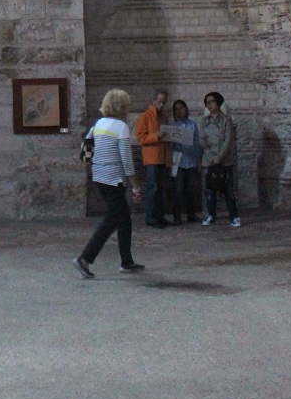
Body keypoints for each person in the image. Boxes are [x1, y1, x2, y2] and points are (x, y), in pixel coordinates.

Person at [73, 89, 143, 278]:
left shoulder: (98, 124)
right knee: (111, 220)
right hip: (114, 179)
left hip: (100, 177)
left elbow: (86, 151)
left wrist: (96, 167)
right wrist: (135, 185)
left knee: (124, 219)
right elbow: (126, 160)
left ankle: (127, 261)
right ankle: (85, 258)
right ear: (122, 106)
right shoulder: (121, 127)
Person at [199, 91, 240, 227]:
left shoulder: (227, 120)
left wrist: (219, 157)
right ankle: (211, 214)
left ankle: (234, 216)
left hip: (225, 160)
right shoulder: (204, 121)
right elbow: (201, 140)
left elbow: (228, 140)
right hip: (209, 161)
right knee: (209, 190)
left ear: (218, 102)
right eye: (207, 102)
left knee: (229, 190)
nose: (209, 104)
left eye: (212, 101)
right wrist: (211, 156)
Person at [133, 89, 170, 227]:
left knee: (160, 189)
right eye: (159, 102)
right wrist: (157, 136)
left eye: (164, 102)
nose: (162, 105)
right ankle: (150, 217)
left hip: (162, 157)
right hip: (151, 158)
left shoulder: (164, 117)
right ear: (153, 101)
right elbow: (141, 138)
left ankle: (159, 216)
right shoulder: (144, 117)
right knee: (152, 188)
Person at [168, 99, 202, 224]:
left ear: (185, 109)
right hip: (178, 162)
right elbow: (169, 145)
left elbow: (197, 144)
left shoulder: (192, 125)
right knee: (178, 189)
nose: (179, 111)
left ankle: (191, 215)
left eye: (181, 108)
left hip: (191, 161)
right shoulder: (173, 126)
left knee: (191, 190)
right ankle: (177, 217)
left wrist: (199, 161)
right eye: (176, 109)